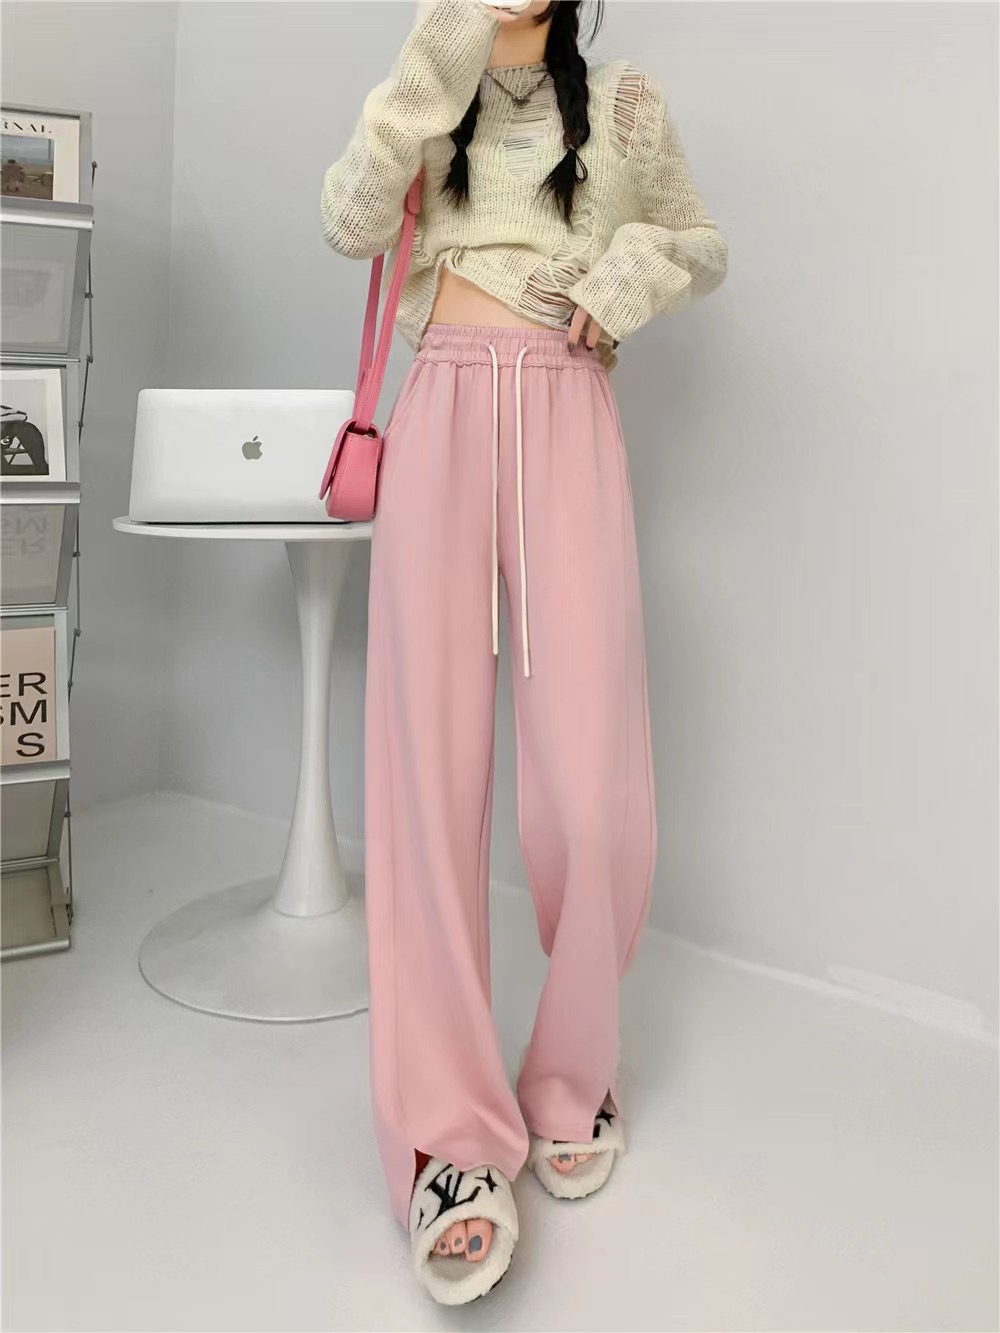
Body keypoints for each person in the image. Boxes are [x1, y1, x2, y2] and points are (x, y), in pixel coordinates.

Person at [321, 0, 727, 1304]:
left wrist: (620, 285)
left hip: (566, 414)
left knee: (592, 790)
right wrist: (435, 52)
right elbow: (347, 219)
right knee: (427, 783)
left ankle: (572, 1071)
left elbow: (698, 238)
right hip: (441, 407)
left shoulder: (624, 102)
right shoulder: (428, 85)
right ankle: (449, 1136)